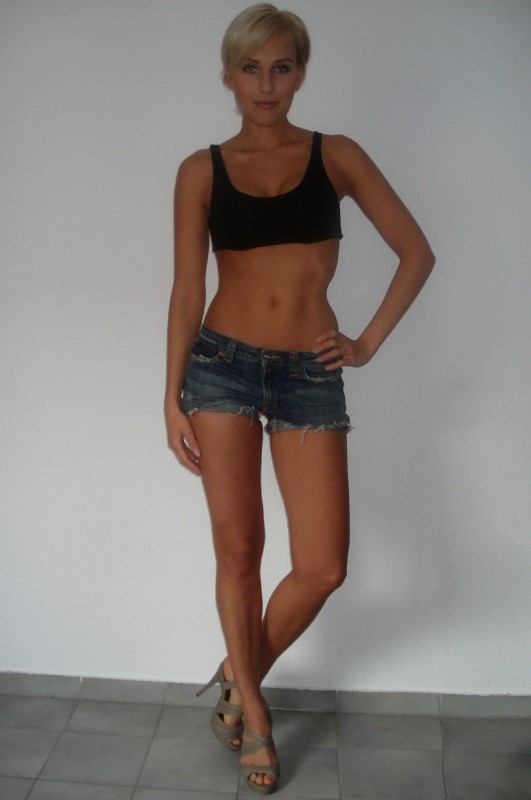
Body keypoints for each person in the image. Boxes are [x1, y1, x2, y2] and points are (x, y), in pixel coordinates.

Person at [164, 3, 435, 793]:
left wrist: (365, 342)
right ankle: (254, 713)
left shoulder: (335, 155)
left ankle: (234, 669)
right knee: (239, 550)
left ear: (300, 73)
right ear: (228, 76)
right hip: (219, 366)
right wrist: (171, 397)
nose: (265, 84)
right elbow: (187, 292)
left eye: (281, 67)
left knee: (321, 565)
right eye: (250, 69)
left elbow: (415, 252)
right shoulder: (200, 170)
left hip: (308, 374)